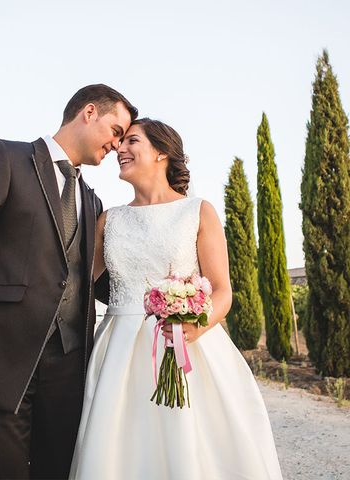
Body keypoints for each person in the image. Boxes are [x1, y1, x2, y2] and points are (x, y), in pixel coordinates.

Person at [0, 84, 137, 479]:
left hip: (67, 376)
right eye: (116, 131)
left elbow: (90, 282)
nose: (117, 145)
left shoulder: (93, 202)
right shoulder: (5, 157)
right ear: (90, 112)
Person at [70, 118, 283, 479]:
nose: (120, 148)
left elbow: (222, 291)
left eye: (131, 140)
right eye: (120, 141)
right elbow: (74, 286)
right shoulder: (109, 220)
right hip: (118, 356)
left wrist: (195, 328)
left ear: (162, 152)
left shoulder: (198, 211)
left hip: (188, 348)